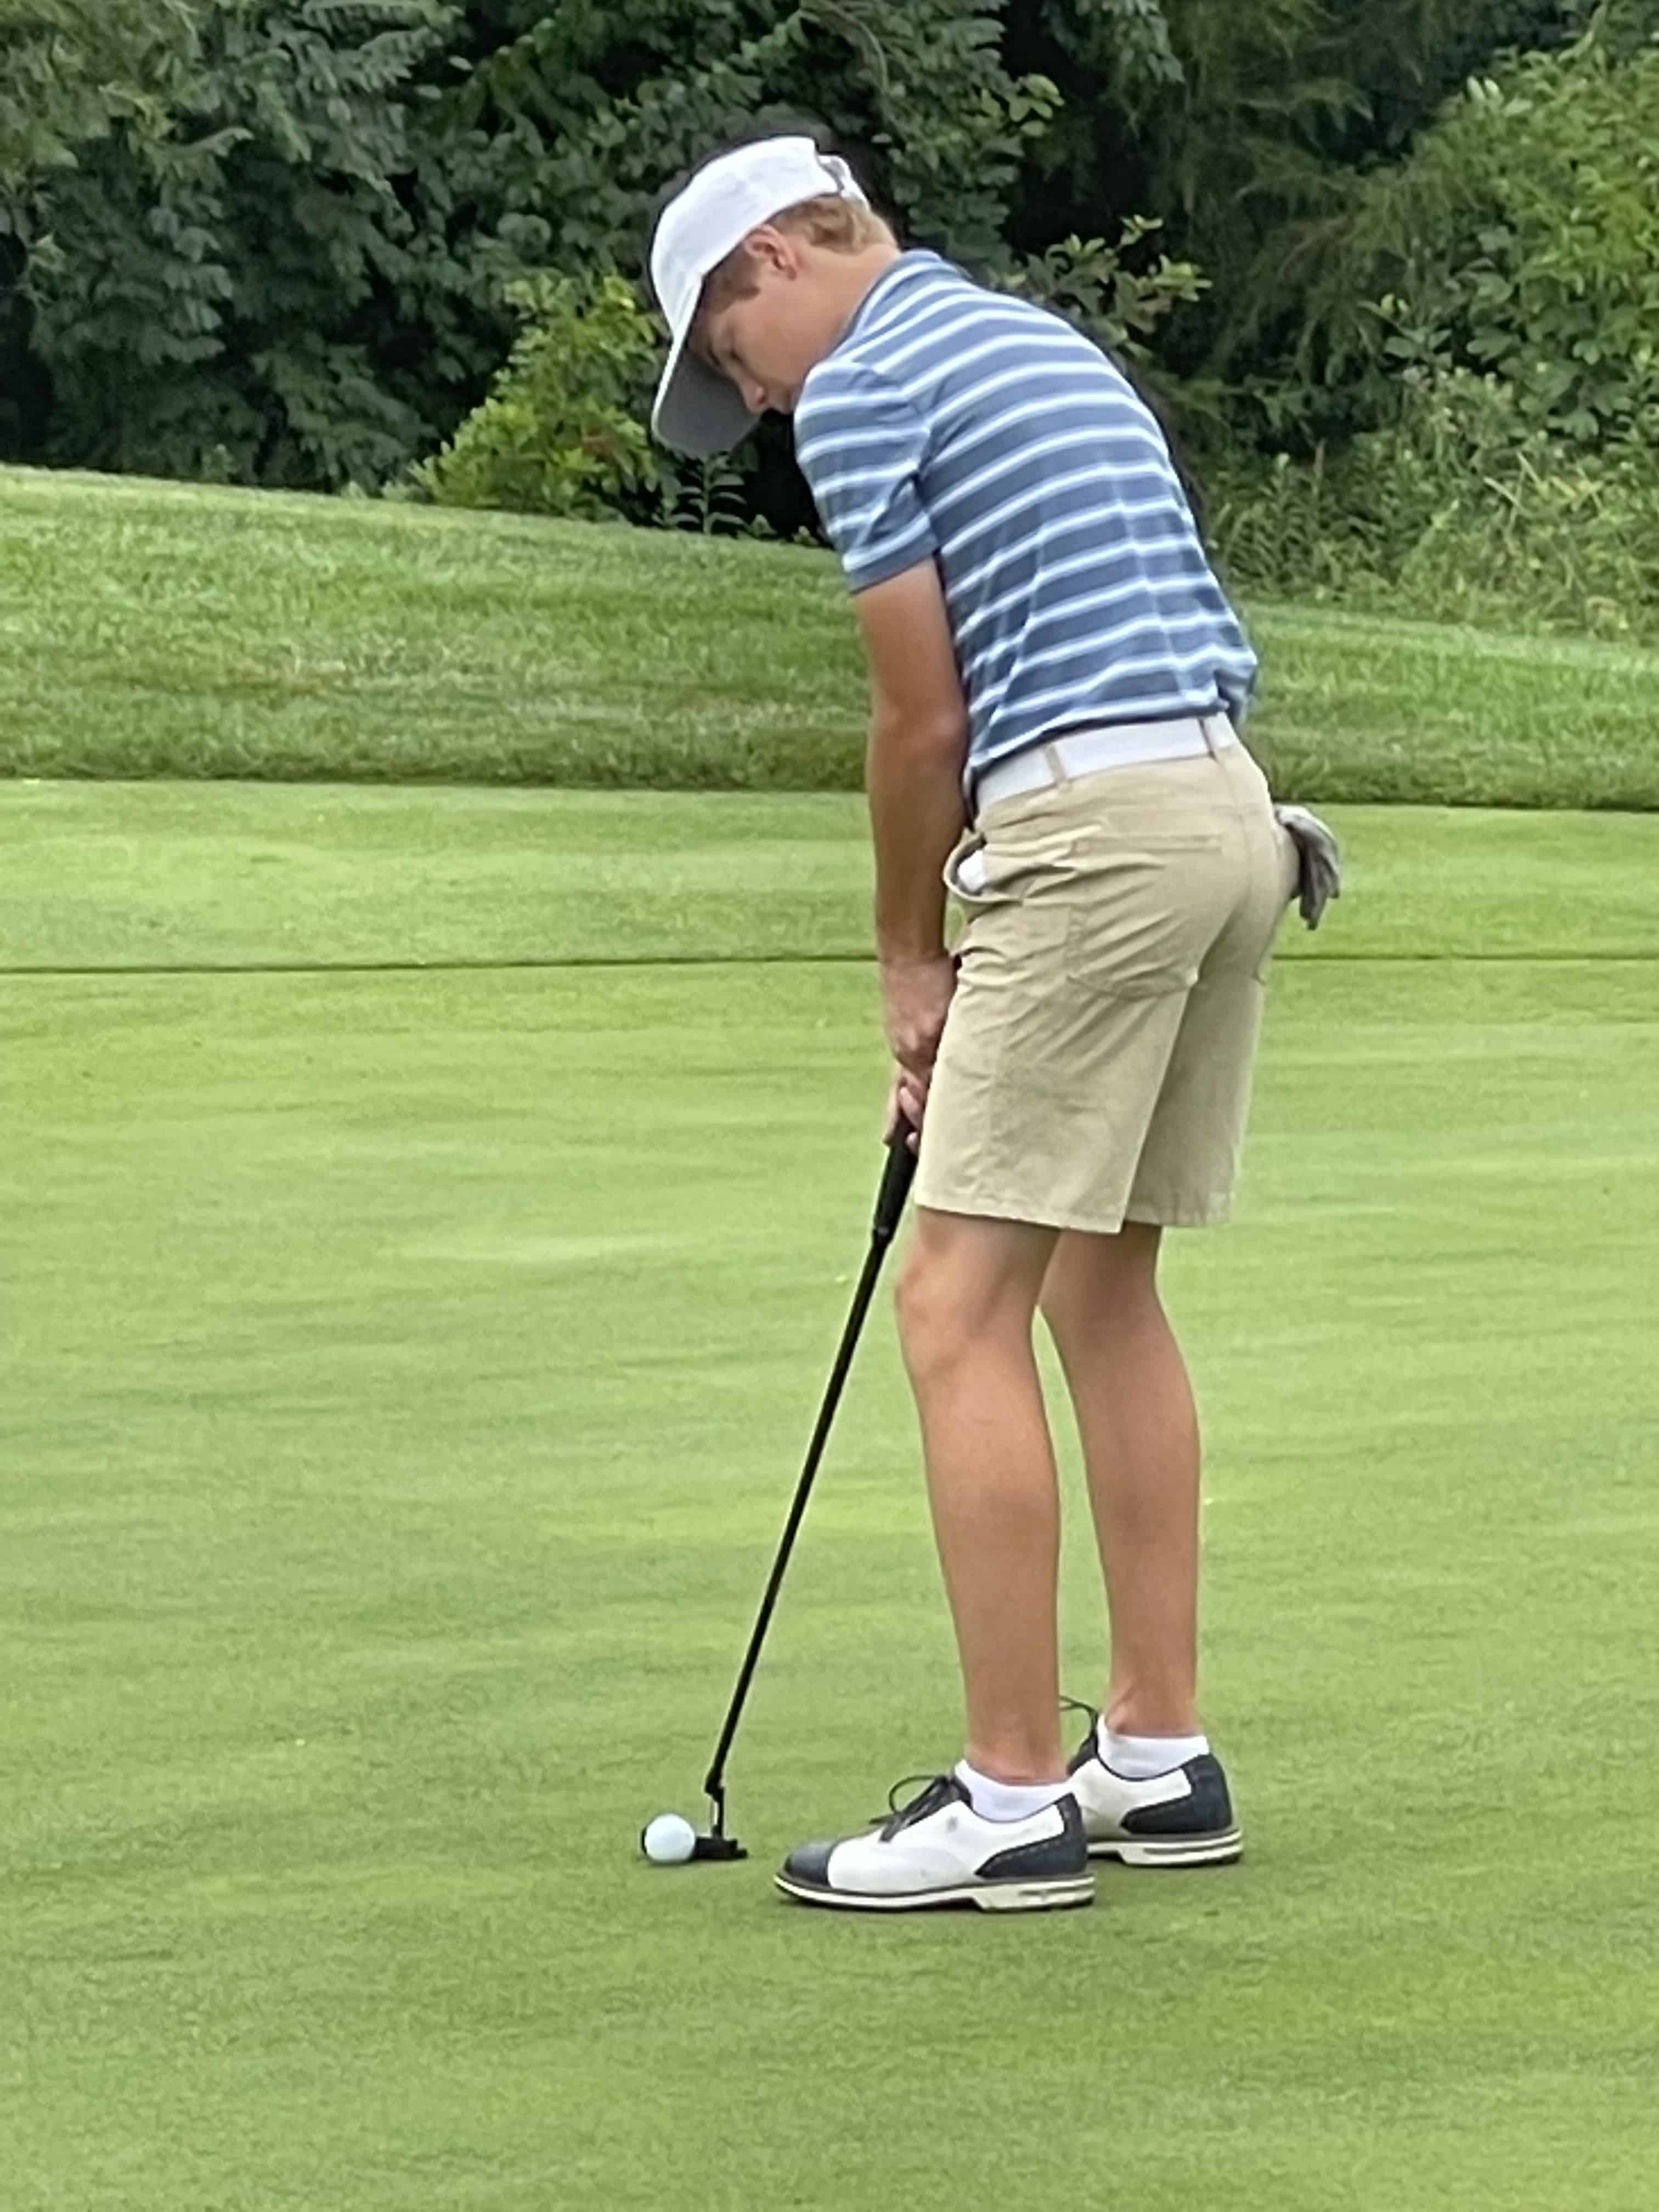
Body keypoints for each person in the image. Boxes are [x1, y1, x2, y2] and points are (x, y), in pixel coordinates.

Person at [647, 136, 1339, 1915]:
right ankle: (1157, 1757)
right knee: (1103, 1286)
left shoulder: (865, 385)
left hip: (1092, 833)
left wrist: (910, 965)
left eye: (732, 352)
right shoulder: (1030, 338)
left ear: (779, 257)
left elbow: (920, 722)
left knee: (954, 1302)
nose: (757, 398)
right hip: (1227, 815)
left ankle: (1012, 1794)